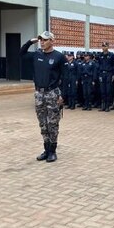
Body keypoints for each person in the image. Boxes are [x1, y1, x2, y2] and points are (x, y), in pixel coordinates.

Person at [19, 31, 66, 162]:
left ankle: (52, 151)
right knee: (43, 123)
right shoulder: (37, 55)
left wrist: (63, 95)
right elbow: (21, 54)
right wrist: (30, 42)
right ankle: (46, 149)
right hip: (39, 93)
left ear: (52, 41)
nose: (42, 42)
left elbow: (66, 78)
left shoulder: (59, 57)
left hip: (52, 93)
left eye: (45, 40)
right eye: (41, 40)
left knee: (53, 123)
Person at [97, 43, 114, 112]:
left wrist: (113, 75)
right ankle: (103, 106)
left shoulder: (111, 55)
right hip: (102, 74)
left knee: (108, 90)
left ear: (108, 47)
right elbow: (98, 65)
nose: (104, 47)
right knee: (102, 90)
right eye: (103, 46)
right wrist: (99, 74)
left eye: (105, 46)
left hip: (109, 74)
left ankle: (107, 106)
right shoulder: (100, 55)